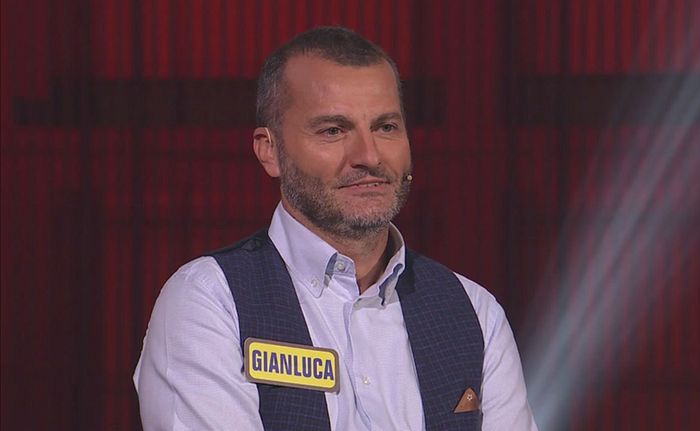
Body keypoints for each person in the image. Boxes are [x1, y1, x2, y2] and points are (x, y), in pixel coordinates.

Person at [134, 26, 537, 431]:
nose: (369, 156)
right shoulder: (209, 300)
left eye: (385, 127)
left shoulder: (474, 312)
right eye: (333, 130)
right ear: (270, 151)